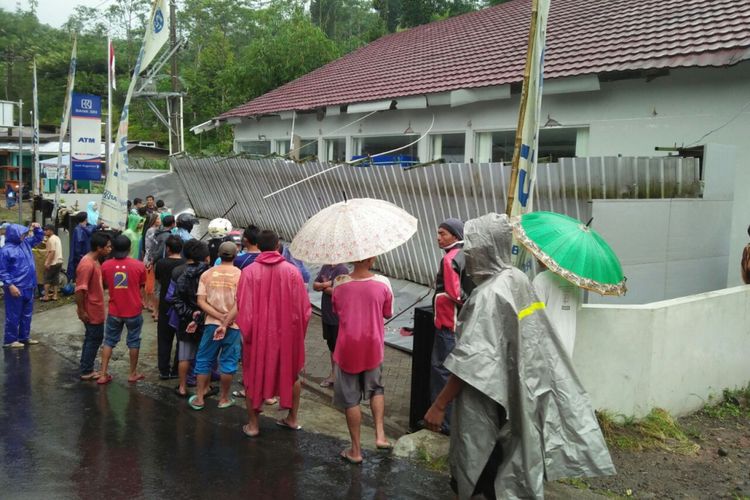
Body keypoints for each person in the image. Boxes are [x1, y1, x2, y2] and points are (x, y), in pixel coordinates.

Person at [424, 213, 615, 499]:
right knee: (509, 464)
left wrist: (439, 405)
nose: (468, 255)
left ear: (484, 248)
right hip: (518, 393)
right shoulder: (517, 278)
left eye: (471, 248)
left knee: (479, 470)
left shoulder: (489, 295)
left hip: (488, 400)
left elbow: (469, 363)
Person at [232, 230, 311, 437]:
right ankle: (292, 418)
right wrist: (297, 336)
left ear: (258, 246)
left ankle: (253, 425)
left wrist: (247, 335)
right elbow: (304, 310)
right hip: (286, 337)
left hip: (257, 336)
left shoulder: (249, 272)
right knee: (292, 374)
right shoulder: (293, 272)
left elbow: (243, 307)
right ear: (278, 246)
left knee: (252, 376)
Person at [331, 256, 394, 463]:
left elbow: (337, 311)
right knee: (376, 388)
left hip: (347, 346)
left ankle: (355, 451)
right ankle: (380, 435)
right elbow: (388, 313)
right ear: (372, 259)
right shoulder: (383, 283)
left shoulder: (339, 283)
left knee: (350, 399)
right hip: (373, 345)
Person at [430, 218, 474, 434]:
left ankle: (444, 424)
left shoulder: (450, 259)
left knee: (442, 371)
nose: (438, 237)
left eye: (443, 233)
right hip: (464, 324)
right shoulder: (468, 254)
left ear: (456, 235)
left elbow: (457, 294)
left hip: (449, 324)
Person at [188, 242, 242, 410]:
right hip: (232, 325)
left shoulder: (207, 274)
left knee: (204, 359)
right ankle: (224, 398)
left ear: (218, 254)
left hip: (211, 324)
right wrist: (225, 320)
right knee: (228, 362)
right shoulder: (241, 275)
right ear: (236, 255)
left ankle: (199, 398)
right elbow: (240, 303)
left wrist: (218, 316)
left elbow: (200, 301)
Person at [97, 235, 147, 385]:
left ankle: (103, 374)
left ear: (113, 247)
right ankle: (132, 373)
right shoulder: (139, 265)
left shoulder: (105, 265)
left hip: (114, 310)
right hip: (133, 310)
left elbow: (105, 284)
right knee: (133, 341)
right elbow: (142, 287)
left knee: (109, 341)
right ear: (130, 248)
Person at [172, 239, 211, 397]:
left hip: (185, 320)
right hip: (206, 318)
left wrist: (189, 313)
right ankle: (205, 389)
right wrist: (201, 314)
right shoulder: (209, 273)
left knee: (184, 356)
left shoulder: (178, 272)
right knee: (206, 355)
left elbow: (175, 299)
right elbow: (211, 298)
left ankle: (182, 387)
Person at [75, 232, 112, 380]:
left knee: (92, 338)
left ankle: (86, 367)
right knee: (94, 338)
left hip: (96, 307)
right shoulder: (87, 264)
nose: (110, 249)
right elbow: (79, 290)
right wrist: (81, 310)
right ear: (99, 247)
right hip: (91, 310)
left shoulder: (95, 261)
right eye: (108, 247)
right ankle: (86, 370)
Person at [0, 223, 45, 348]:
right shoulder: (5, 250)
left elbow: (38, 238)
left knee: (27, 314)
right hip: (16, 287)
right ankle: (10, 340)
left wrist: (37, 228)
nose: (24, 236)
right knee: (13, 314)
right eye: (22, 234)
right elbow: (2, 271)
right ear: (14, 234)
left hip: (28, 285)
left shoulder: (25, 244)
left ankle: (24, 337)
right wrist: (10, 285)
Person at [533, 263, 581, 357]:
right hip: (568, 344)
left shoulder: (541, 280)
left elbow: (535, 316)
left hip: (546, 347)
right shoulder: (575, 281)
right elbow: (577, 307)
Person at [313, 263, 349, 387]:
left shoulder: (342, 270)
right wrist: (325, 285)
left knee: (339, 346)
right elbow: (314, 285)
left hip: (337, 316)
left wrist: (322, 287)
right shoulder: (325, 267)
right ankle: (334, 374)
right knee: (331, 346)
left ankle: (340, 376)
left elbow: (340, 292)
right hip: (327, 314)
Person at [154, 235, 185, 380]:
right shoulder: (186, 264)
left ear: (168, 248)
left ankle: (164, 370)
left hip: (165, 304)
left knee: (164, 338)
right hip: (181, 306)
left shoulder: (161, 263)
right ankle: (177, 370)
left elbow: (158, 279)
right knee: (181, 339)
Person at [67, 212, 96, 282]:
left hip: (81, 258)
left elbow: (77, 246)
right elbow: (93, 228)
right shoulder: (87, 229)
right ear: (86, 219)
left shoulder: (78, 230)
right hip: (88, 256)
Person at [42, 224, 64, 302]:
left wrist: (47, 262)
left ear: (51, 230)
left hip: (53, 262)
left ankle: (46, 296)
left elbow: (52, 252)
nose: (45, 232)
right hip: (59, 261)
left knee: (47, 279)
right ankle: (55, 295)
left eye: (46, 230)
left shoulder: (50, 239)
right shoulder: (57, 238)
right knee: (55, 279)